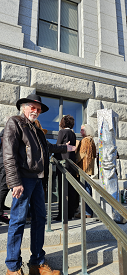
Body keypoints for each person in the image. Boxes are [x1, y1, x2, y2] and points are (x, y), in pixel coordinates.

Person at [3, 94, 76, 275]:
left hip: (37, 180)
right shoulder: (15, 122)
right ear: (24, 108)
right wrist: (14, 181)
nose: (35, 111)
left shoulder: (36, 129)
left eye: (38, 108)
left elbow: (48, 147)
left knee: (40, 220)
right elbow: (8, 154)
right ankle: (12, 267)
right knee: (18, 220)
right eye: (32, 107)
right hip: (23, 180)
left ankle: (37, 263)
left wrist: (65, 148)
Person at [54, 115, 79, 221]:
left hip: (63, 164)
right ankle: (70, 213)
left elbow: (57, 147)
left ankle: (62, 214)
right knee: (70, 190)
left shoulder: (62, 132)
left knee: (62, 190)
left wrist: (53, 158)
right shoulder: (73, 134)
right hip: (71, 164)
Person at [75, 124, 96, 218]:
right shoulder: (92, 141)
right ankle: (88, 212)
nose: (80, 132)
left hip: (83, 167)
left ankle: (87, 212)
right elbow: (95, 155)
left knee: (85, 190)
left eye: (82, 130)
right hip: (89, 168)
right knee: (88, 189)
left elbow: (82, 154)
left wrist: (74, 160)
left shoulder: (85, 140)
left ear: (87, 131)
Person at [0, 129, 10, 224]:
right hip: (5, 162)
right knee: (3, 187)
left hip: (3, 161)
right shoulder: (8, 129)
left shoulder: (4, 130)